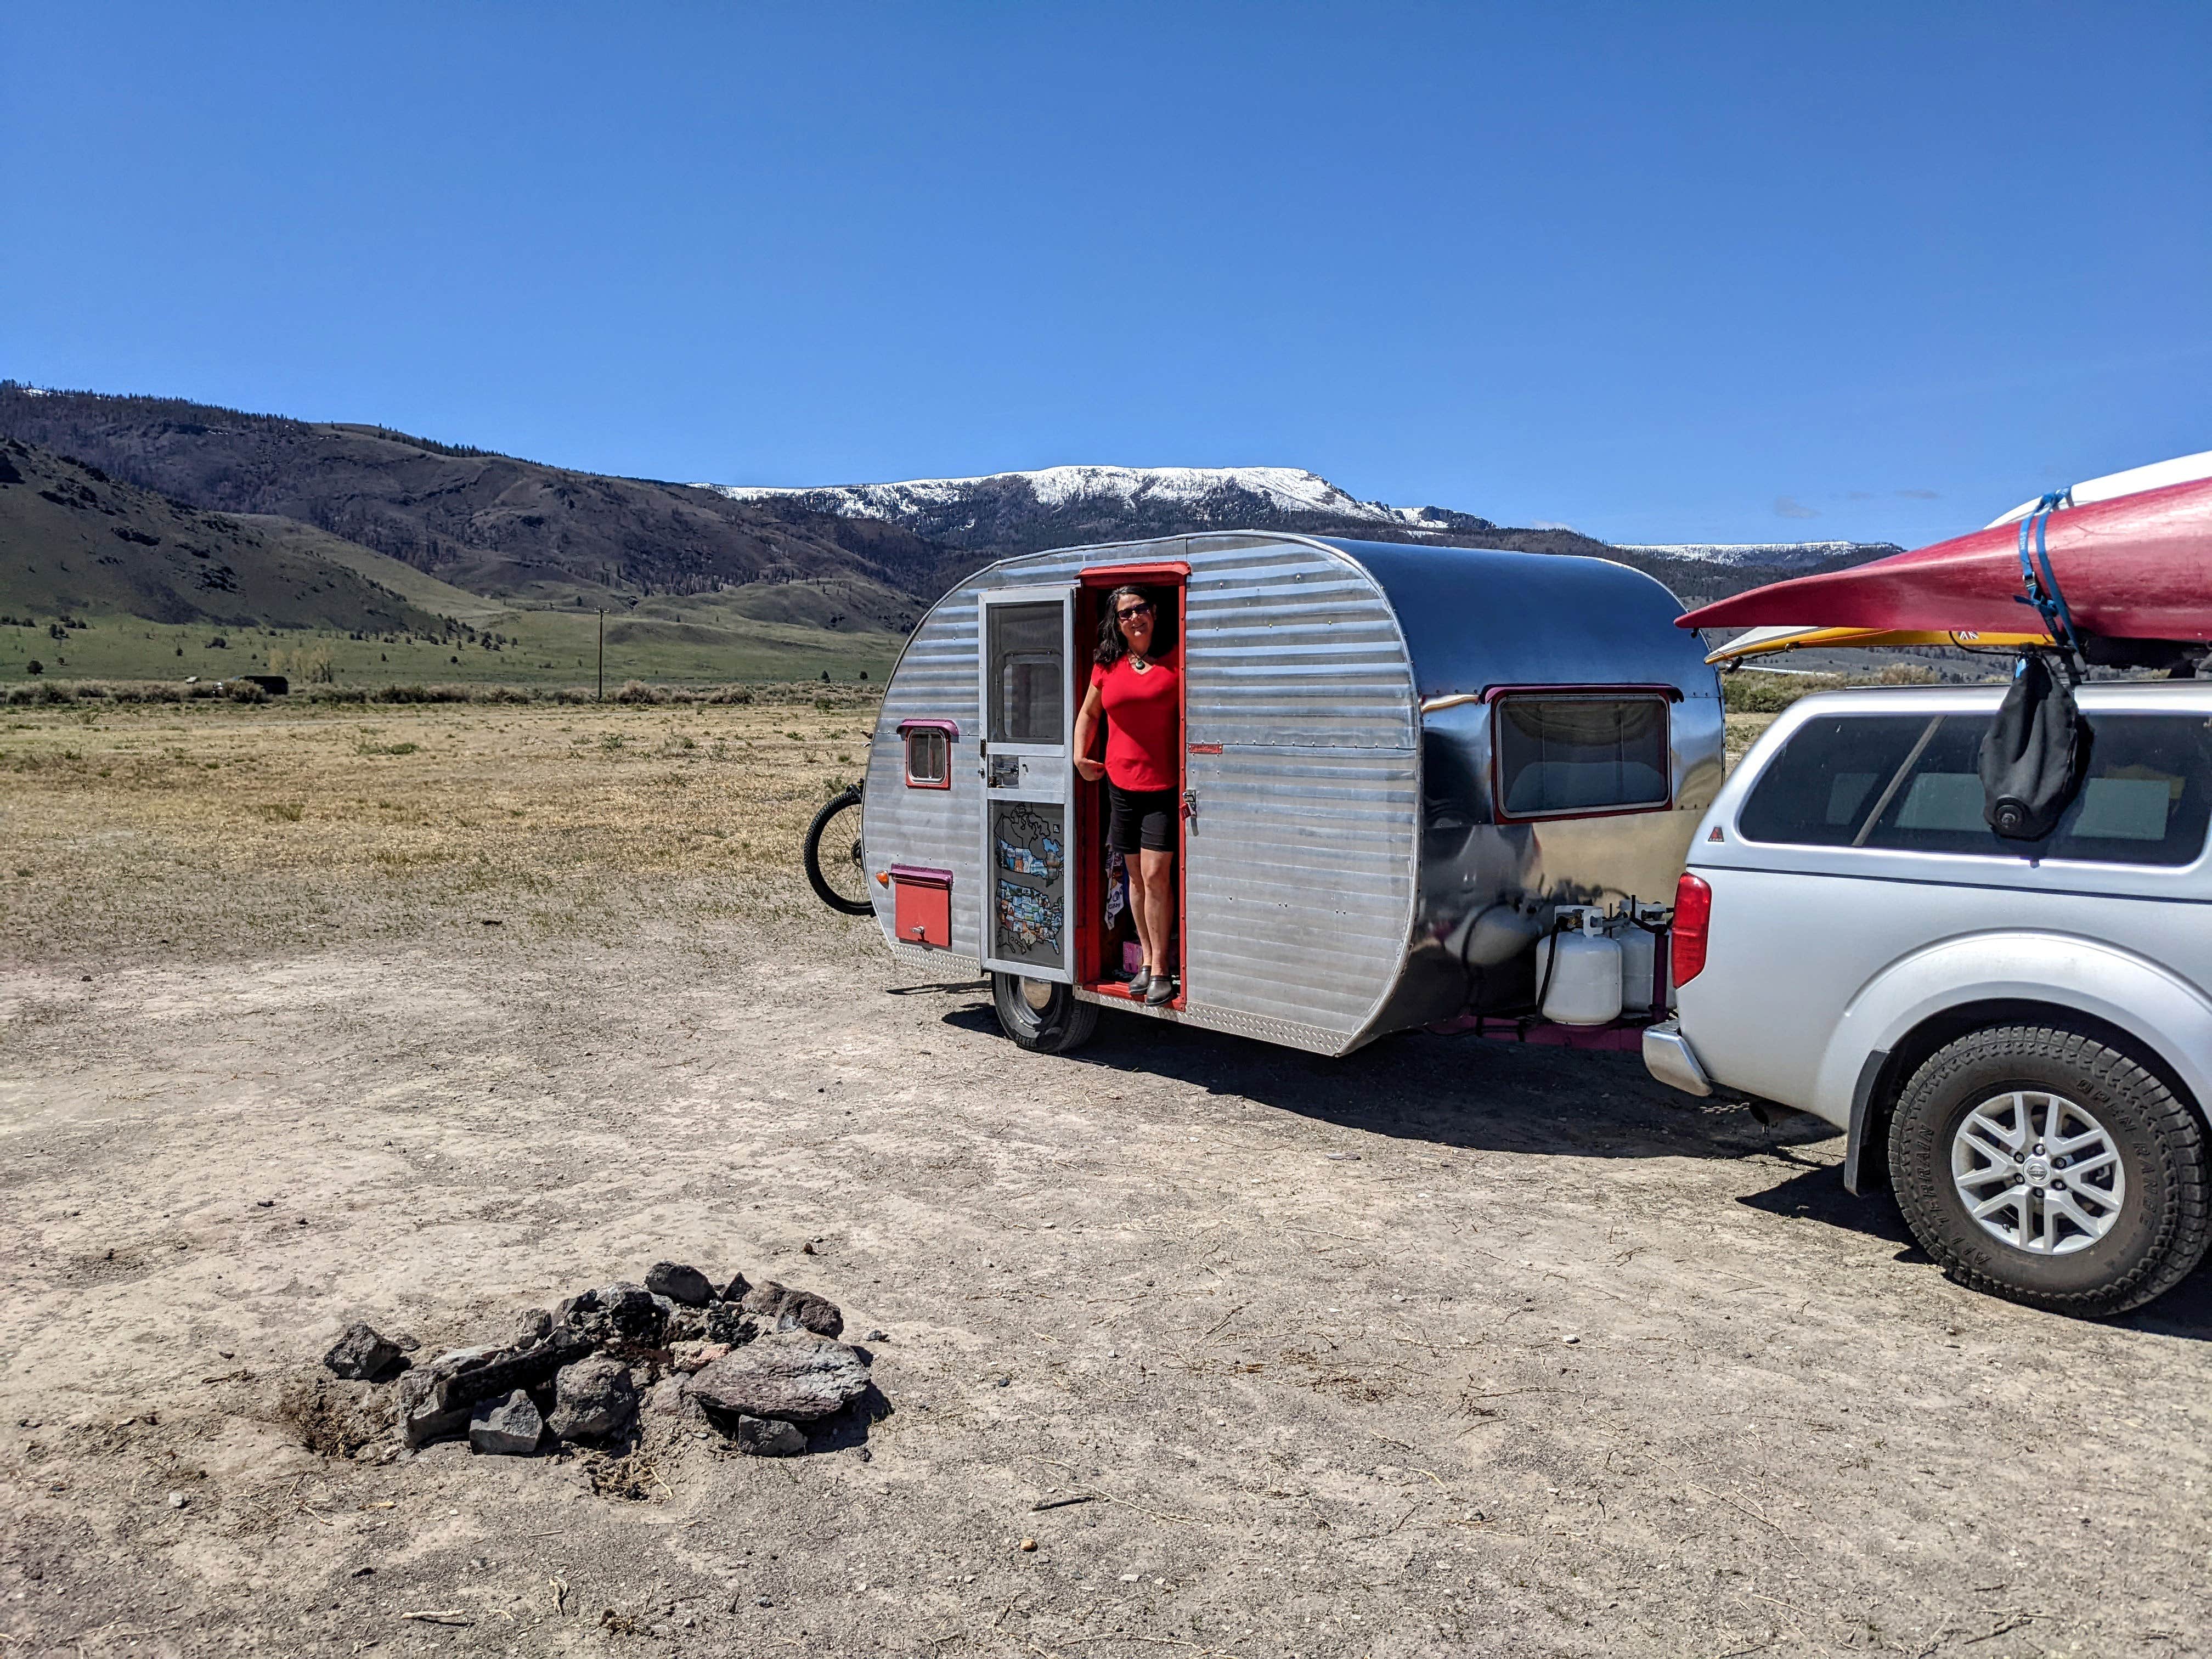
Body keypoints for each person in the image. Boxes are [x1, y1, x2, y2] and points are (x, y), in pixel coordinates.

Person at [1073, 585, 1180, 1005]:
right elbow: (1089, 713)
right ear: (1115, 623)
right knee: (1135, 878)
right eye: (1124, 614)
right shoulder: (1107, 665)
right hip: (1121, 786)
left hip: (1163, 787)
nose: (1134, 619)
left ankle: (1163, 969)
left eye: (1140, 610)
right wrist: (1081, 757)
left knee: (1156, 876)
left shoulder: (1175, 660)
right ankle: (1147, 961)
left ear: (1154, 612)